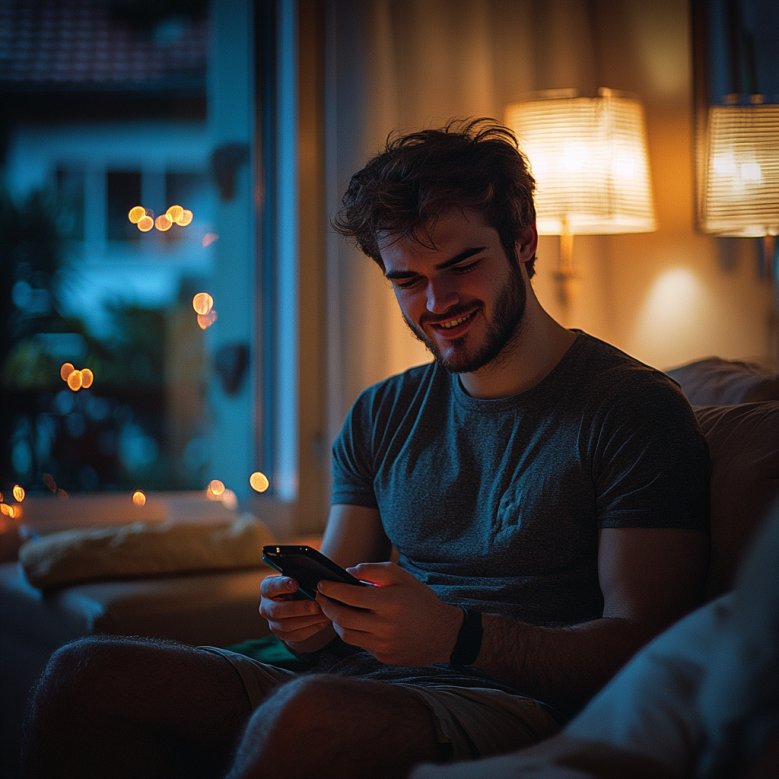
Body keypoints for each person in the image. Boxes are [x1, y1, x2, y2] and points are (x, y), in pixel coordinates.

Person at [21, 118, 709, 779]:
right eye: (405, 279)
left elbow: (645, 642)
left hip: (506, 700)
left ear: (524, 242)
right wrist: (302, 618)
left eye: (461, 264)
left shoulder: (631, 410)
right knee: (84, 673)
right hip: (353, 679)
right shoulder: (382, 411)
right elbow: (328, 612)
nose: (435, 300)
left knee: (311, 714)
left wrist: (458, 637)